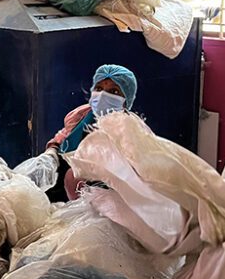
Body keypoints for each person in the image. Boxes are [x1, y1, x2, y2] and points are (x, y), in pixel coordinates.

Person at [18, 64, 138, 202]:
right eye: (99, 88)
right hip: (63, 182)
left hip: (101, 190)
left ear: (126, 99)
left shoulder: (129, 129)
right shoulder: (81, 115)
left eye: (114, 92)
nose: (103, 95)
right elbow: (64, 136)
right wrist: (51, 153)